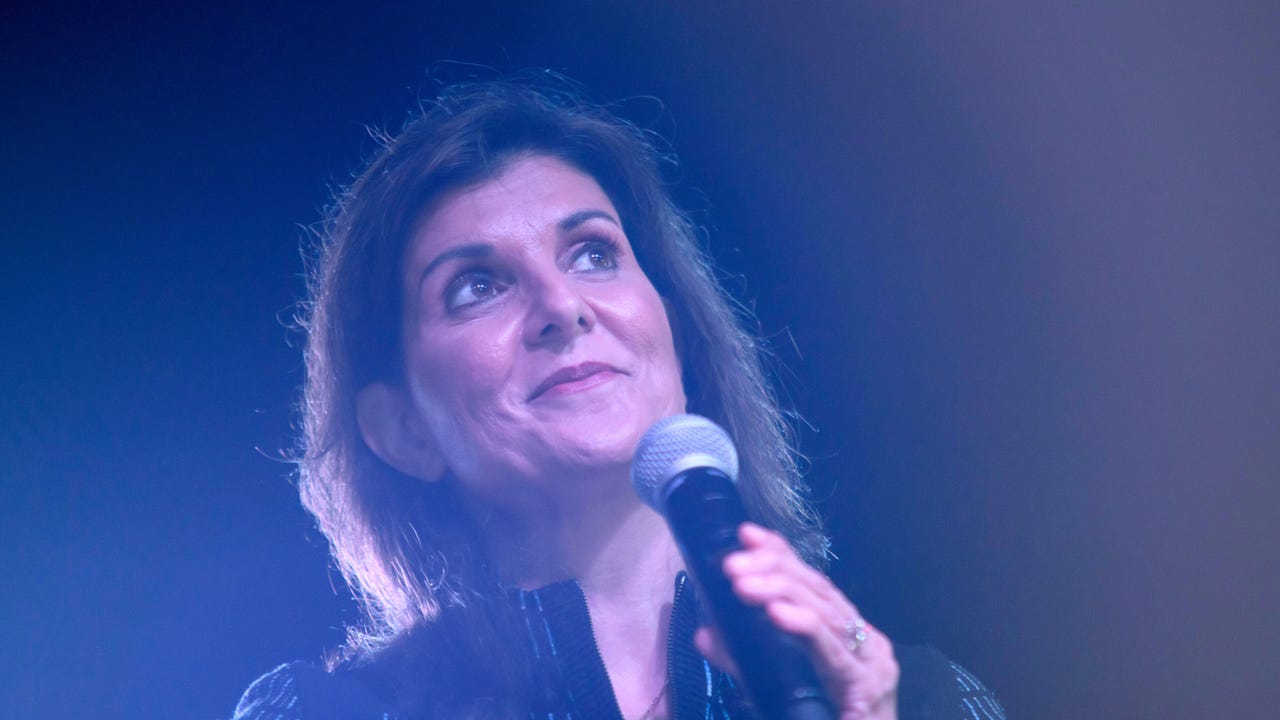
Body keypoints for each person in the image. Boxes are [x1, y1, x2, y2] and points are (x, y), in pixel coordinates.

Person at [231, 77, 1005, 720]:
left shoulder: (917, 700)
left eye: (594, 253)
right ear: (403, 429)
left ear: (675, 336)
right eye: (476, 286)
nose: (562, 306)